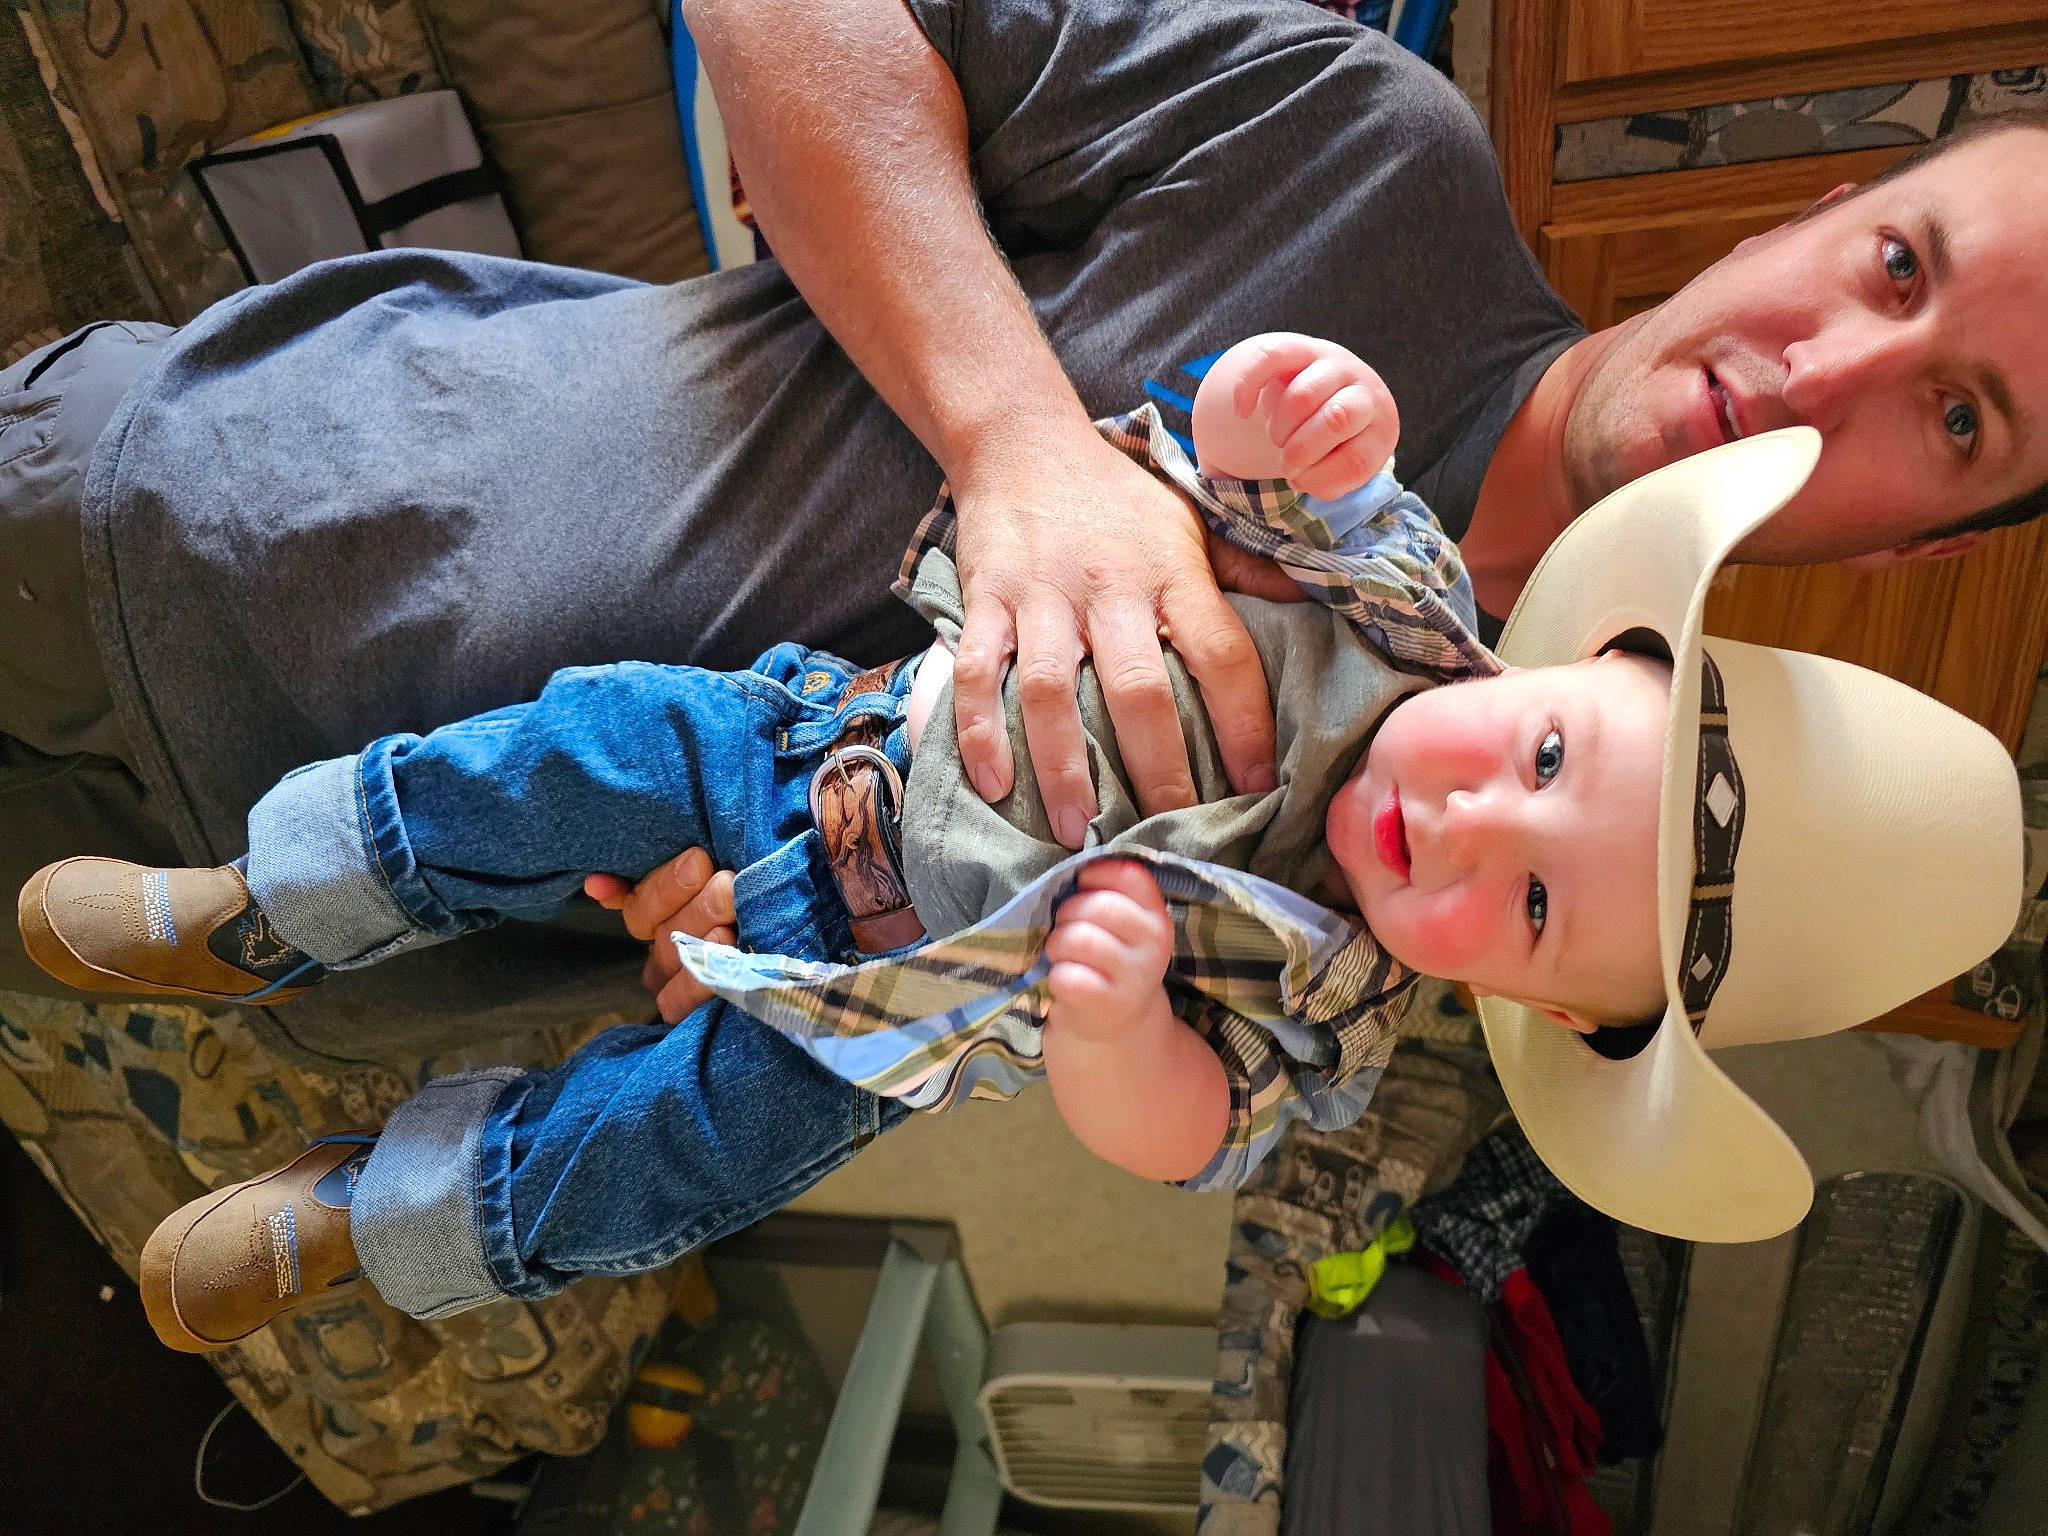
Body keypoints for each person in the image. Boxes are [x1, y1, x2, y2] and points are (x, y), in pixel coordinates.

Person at [6, 0, 2047, 1056]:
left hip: (315, 927)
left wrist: (796, 953)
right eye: (1892, 264)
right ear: (1813, 210)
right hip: (200, 519)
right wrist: (1018, 443)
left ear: (1918, 546)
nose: (1826, 368)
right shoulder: (1367, 155)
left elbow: (1024, 1011)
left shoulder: (1493, 849)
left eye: (1953, 413)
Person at [19, 344, 2021, 1351]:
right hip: (803, 749)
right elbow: (1216, 458)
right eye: (1549, 752)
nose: (1473, 814)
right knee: (566, 751)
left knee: (662, 1158)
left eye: (1524, 900)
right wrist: (1286, 417)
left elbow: (1180, 1141)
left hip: (853, 1033)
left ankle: (375, 1218)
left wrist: (1120, 1034)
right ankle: (276, 900)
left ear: (1515, 1001)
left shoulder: (1329, 1005)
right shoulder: (1400, 598)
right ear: (1573, 654)